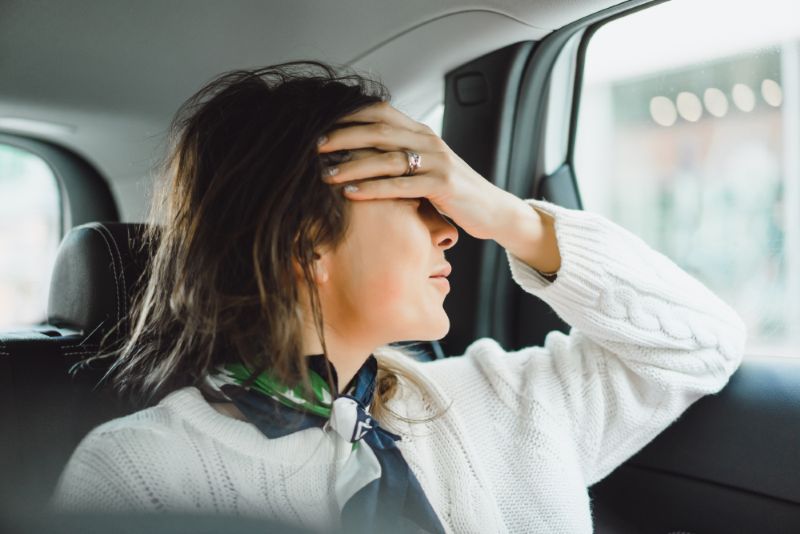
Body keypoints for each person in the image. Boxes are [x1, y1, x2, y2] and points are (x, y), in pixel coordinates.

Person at [48, 60, 747, 533]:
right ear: (305, 245)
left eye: (450, 198)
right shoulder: (139, 474)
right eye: (420, 200)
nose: (451, 229)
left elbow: (701, 341)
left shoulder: (497, 400)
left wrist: (506, 213)